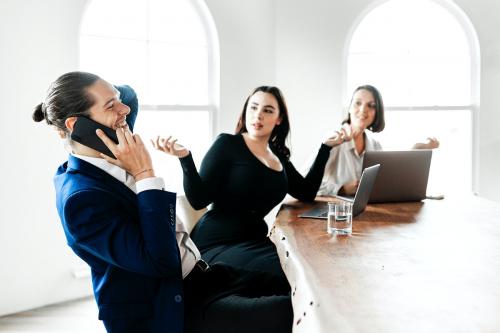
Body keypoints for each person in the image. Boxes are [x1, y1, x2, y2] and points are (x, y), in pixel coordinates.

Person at [33, 72, 292, 333]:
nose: (125, 110)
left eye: (118, 100)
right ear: (76, 126)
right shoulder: (81, 199)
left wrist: (108, 95)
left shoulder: (115, 135)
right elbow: (161, 262)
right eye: (111, 106)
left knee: (298, 287)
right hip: (170, 305)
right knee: (288, 313)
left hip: (204, 276)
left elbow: (129, 95)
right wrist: (144, 174)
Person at [152, 86, 343, 283]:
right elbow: (199, 199)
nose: (258, 115)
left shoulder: (278, 156)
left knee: (302, 265)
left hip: (254, 241)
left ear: (279, 119)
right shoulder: (227, 144)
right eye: (253, 107)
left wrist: (325, 148)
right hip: (218, 242)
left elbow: (307, 191)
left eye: (267, 110)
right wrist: (185, 158)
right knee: (292, 274)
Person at [309, 84, 439, 196]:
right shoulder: (333, 140)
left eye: (371, 106)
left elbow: (388, 182)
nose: (363, 110)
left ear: (376, 113)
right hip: (336, 216)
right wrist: (341, 189)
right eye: (358, 103)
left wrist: (414, 151)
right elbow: (305, 185)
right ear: (349, 108)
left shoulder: (375, 146)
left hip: (366, 214)